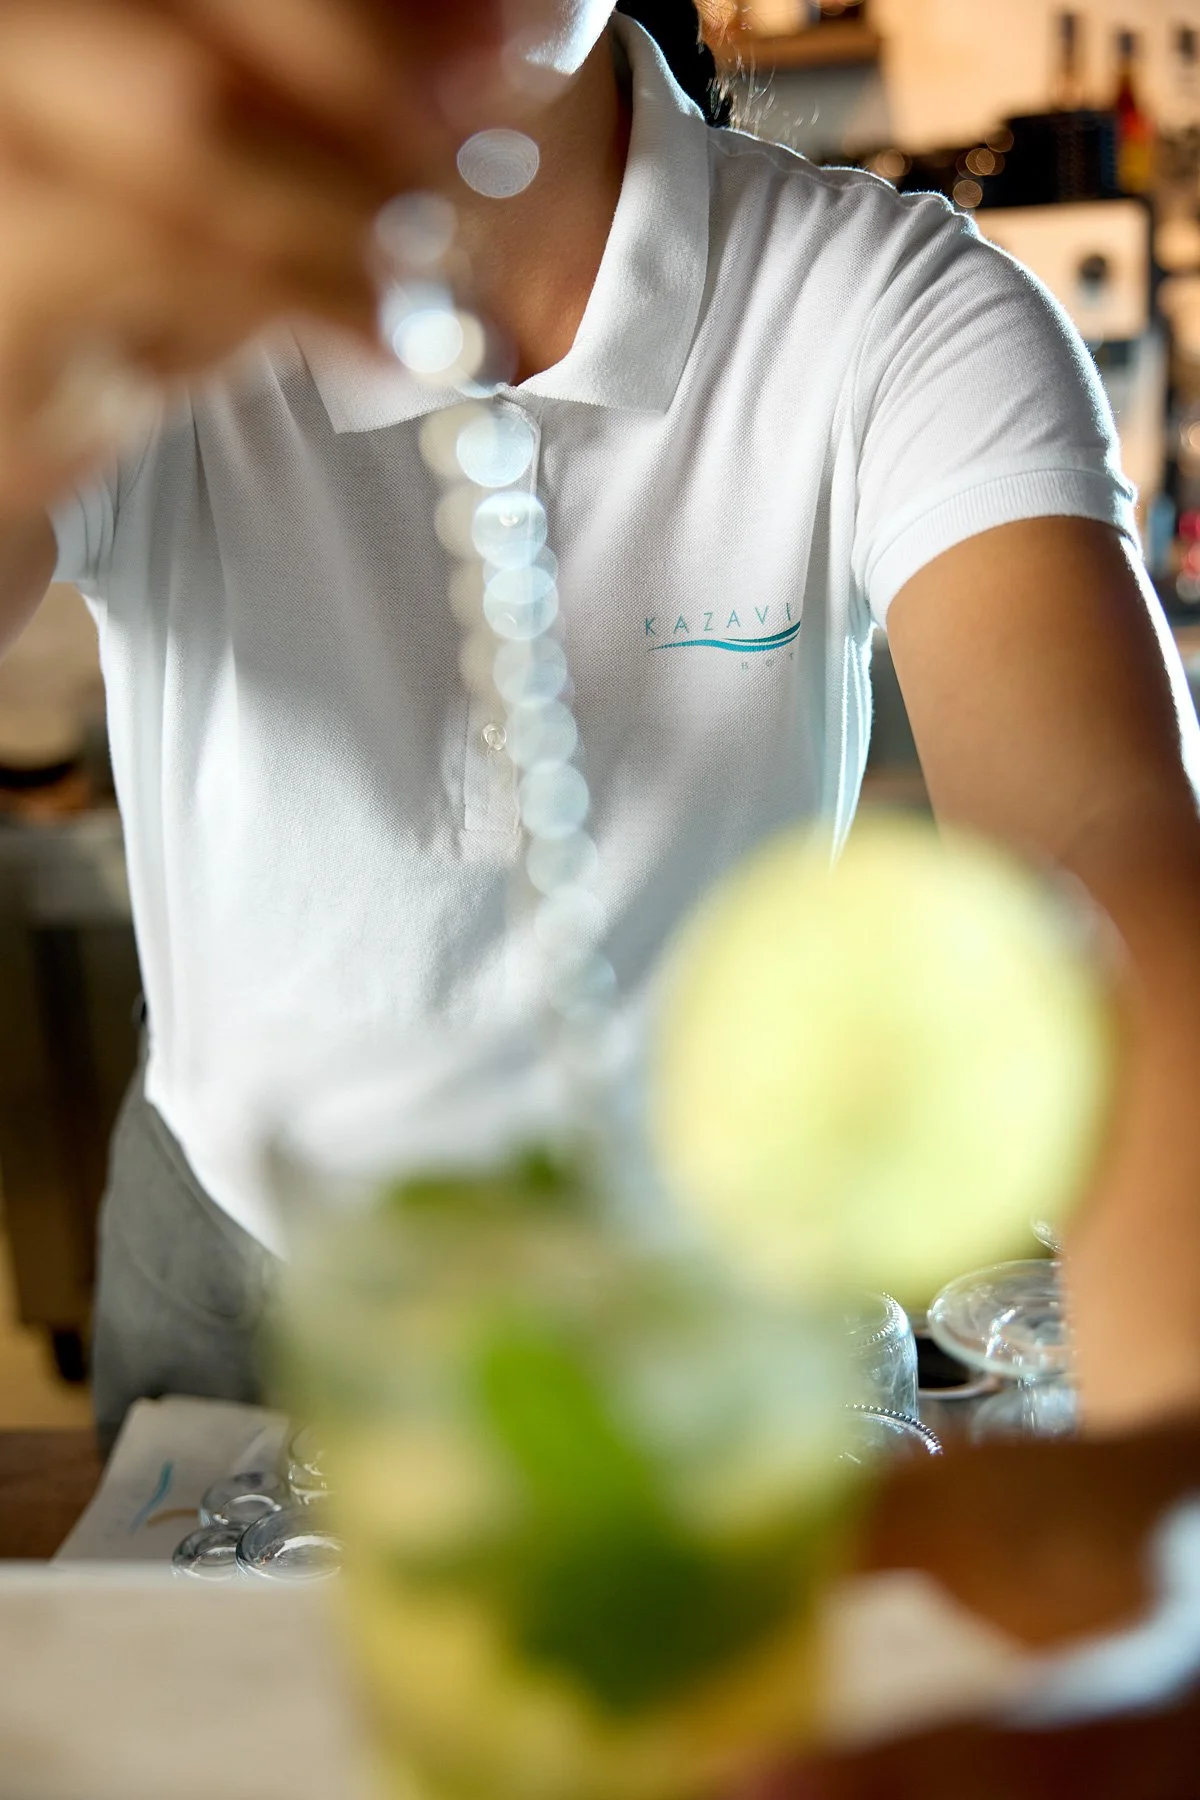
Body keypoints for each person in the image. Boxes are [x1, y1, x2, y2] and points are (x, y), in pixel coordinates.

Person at [0, 0, 1197, 1449]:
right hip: (246, 1271)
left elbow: (1103, 858)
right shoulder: (152, 301)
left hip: (708, 1282)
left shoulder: (883, 305)